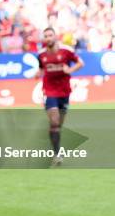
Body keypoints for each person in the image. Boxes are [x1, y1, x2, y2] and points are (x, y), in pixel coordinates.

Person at [36, 27, 84, 165]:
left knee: (58, 125)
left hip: (64, 92)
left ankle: (53, 141)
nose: (48, 38)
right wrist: (37, 74)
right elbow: (40, 69)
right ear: (44, 39)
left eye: (50, 35)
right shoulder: (41, 55)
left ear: (55, 36)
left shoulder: (66, 51)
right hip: (49, 91)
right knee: (55, 121)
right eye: (46, 36)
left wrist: (70, 69)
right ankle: (57, 154)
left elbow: (81, 63)